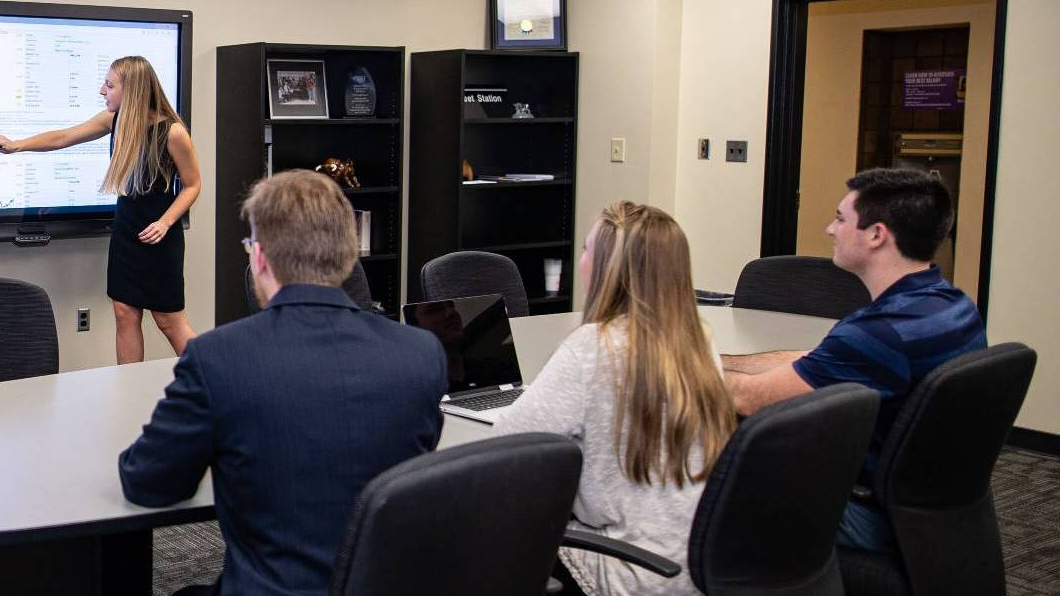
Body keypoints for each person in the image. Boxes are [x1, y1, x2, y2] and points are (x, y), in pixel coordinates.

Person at [116, 170, 446, 596]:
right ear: (349, 257)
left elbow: (150, 483)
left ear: (259, 258)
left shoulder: (218, 359)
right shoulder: (421, 354)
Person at [723, 167, 985, 553]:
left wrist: (665, 366)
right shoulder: (948, 306)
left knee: (701, 464)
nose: (830, 229)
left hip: (867, 513)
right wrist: (719, 360)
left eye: (841, 218)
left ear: (877, 234)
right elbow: (816, 359)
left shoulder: (877, 334)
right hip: (928, 510)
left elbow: (747, 399)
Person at [496, 201, 736, 596]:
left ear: (611, 268)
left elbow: (508, 441)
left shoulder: (593, 347)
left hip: (627, 569)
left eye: (588, 249)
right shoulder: (699, 342)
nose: (582, 259)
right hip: (698, 566)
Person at [0, 56, 201, 363]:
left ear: (134, 90)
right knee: (125, 312)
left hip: (159, 236)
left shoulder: (172, 132)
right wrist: (17, 145)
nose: (103, 90)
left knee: (168, 320)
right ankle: (128, 389)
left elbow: (193, 185)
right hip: (127, 230)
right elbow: (63, 137)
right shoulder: (114, 120)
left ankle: (214, 384)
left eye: (110, 85)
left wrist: (166, 222)